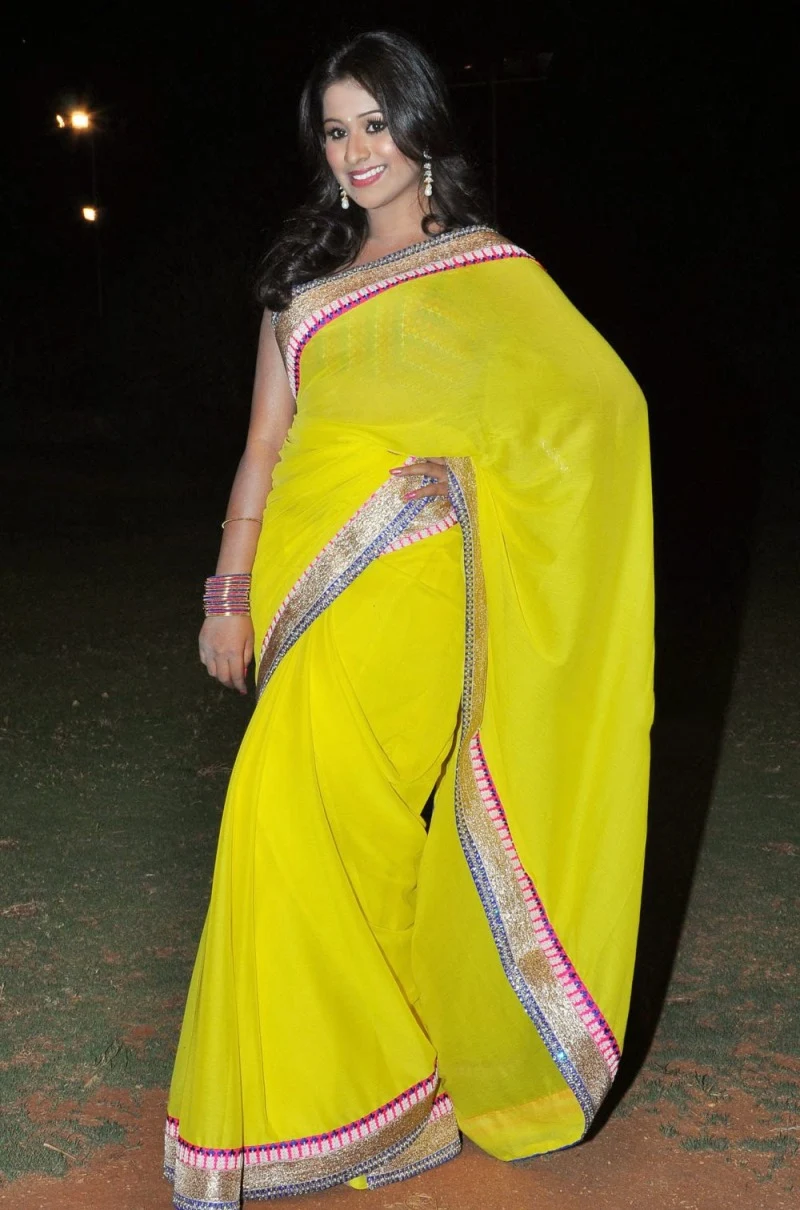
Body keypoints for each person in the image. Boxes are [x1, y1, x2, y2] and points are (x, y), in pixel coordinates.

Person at [164, 29, 654, 1209]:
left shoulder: (485, 272)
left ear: (421, 127)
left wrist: (462, 487)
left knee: (333, 818)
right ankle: (374, 1095)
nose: (356, 151)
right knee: (306, 825)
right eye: (336, 131)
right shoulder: (301, 286)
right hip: (303, 588)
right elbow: (264, 448)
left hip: (417, 590)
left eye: (375, 124)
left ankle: (368, 1092)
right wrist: (227, 592)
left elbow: (600, 405)